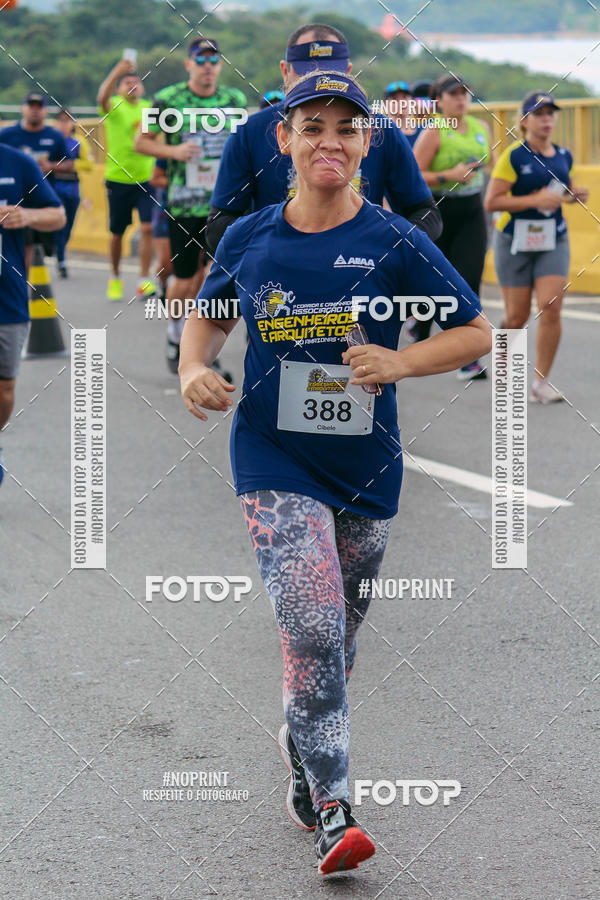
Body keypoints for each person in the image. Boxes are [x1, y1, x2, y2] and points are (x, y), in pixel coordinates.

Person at [178, 72, 491, 875]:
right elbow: (207, 318)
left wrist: (401, 359)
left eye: (347, 130)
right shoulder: (249, 236)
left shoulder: (395, 239)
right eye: (312, 125)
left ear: (367, 143)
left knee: (337, 641)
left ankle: (302, 743)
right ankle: (334, 808)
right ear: (283, 139)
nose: (330, 140)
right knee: (311, 626)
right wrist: (192, 371)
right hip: (271, 457)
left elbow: (475, 334)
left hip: (365, 467)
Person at [206, 23, 442, 256]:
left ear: (348, 72)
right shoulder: (249, 131)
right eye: (306, 72)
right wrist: (276, 252)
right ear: (285, 71)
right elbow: (219, 225)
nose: (318, 80)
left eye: (331, 72)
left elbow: (425, 213)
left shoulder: (381, 129)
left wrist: (385, 252)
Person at [134, 37, 247, 372]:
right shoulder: (169, 100)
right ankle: (174, 333)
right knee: (184, 278)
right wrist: (174, 152)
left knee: (215, 276)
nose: (208, 66)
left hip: (224, 205)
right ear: (189, 64)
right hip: (184, 204)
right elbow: (141, 142)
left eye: (214, 60)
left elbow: (241, 146)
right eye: (201, 60)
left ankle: (200, 350)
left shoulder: (234, 99)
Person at [484, 91, 588, 404]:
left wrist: (572, 196)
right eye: (540, 114)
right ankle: (504, 368)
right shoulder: (514, 156)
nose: (547, 119)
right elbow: (492, 202)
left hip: (552, 238)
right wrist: (535, 200)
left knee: (550, 306)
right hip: (513, 240)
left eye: (551, 113)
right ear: (526, 120)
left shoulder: (564, 155)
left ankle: (540, 383)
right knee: (516, 316)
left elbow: (558, 192)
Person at [413, 73, 494, 380]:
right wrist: (450, 174)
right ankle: (419, 323)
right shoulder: (435, 131)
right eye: (453, 93)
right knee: (432, 281)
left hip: (472, 210)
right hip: (440, 210)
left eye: (465, 93)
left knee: (468, 279)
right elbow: (415, 175)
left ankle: (468, 358)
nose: (461, 98)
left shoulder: (481, 127)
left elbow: (492, 164)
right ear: (439, 101)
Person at [0, 144, 65, 485]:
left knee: (5, 388)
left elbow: (58, 215)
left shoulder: (16, 162)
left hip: (7, 295)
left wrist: (26, 216)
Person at [97, 59, 157, 301]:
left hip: (146, 178)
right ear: (120, 88)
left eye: (136, 82)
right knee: (117, 232)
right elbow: (101, 98)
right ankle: (115, 276)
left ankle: (143, 280)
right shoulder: (114, 105)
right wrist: (116, 72)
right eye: (127, 82)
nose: (133, 85)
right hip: (118, 178)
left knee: (148, 228)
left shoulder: (149, 108)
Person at [0, 93, 73, 271]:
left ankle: (57, 261)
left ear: (45, 111)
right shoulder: (7, 135)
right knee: (24, 245)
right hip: (13, 200)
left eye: (38, 107)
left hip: (43, 198)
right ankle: (22, 281)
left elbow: (69, 163)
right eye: (31, 106)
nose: (34, 111)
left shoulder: (54, 136)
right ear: (22, 109)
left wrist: (50, 166)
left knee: (45, 240)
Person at [52, 108, 94, 278]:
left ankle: (59, 249)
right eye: (61, 120)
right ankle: (61, 260)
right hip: (55, 189)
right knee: (60, 225)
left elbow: (89, 165)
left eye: (67, 120)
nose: (64, 124)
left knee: (68, 226)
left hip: (73, 189)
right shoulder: (52, 141)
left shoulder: (79, 142)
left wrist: (69, 166)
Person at [149, 159, 172, 300]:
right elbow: (155, 179)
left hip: (199, 211)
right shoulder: (172, 145)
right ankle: (163, 285)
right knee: (166, 264)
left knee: (197, 266)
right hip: (166, 211)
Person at [383, 80, 422, 147]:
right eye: (394, 98)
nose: (400, 102)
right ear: (385, 104)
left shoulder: (423, 133)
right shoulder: (380, 134)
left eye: (404, 97)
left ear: (412, 102)